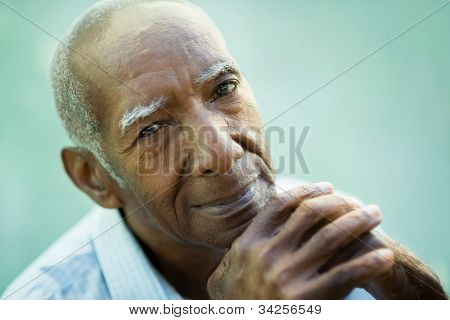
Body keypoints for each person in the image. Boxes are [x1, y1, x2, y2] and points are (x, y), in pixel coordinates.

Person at [2, 0, 447, 300]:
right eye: (154, 128)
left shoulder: (327, 229)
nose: (222, 152)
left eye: (224, 88)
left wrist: (399, 279)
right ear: (94, 178)